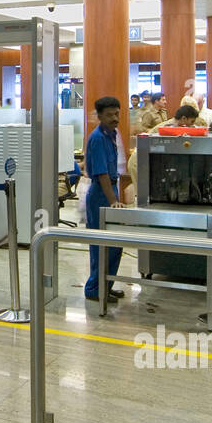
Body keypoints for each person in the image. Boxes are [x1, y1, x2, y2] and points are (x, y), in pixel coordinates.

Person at [84, 96, 125, 302]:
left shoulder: (112, 134)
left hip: (111, 190)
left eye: (116, 113)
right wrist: (112, 201)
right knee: (101, 245)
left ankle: (106, 285)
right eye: (109, 115)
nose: (114, 118)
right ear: (99, 116)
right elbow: (101, 174)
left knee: (115, 245)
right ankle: (94, 288)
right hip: (101, 193)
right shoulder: (98, 138)